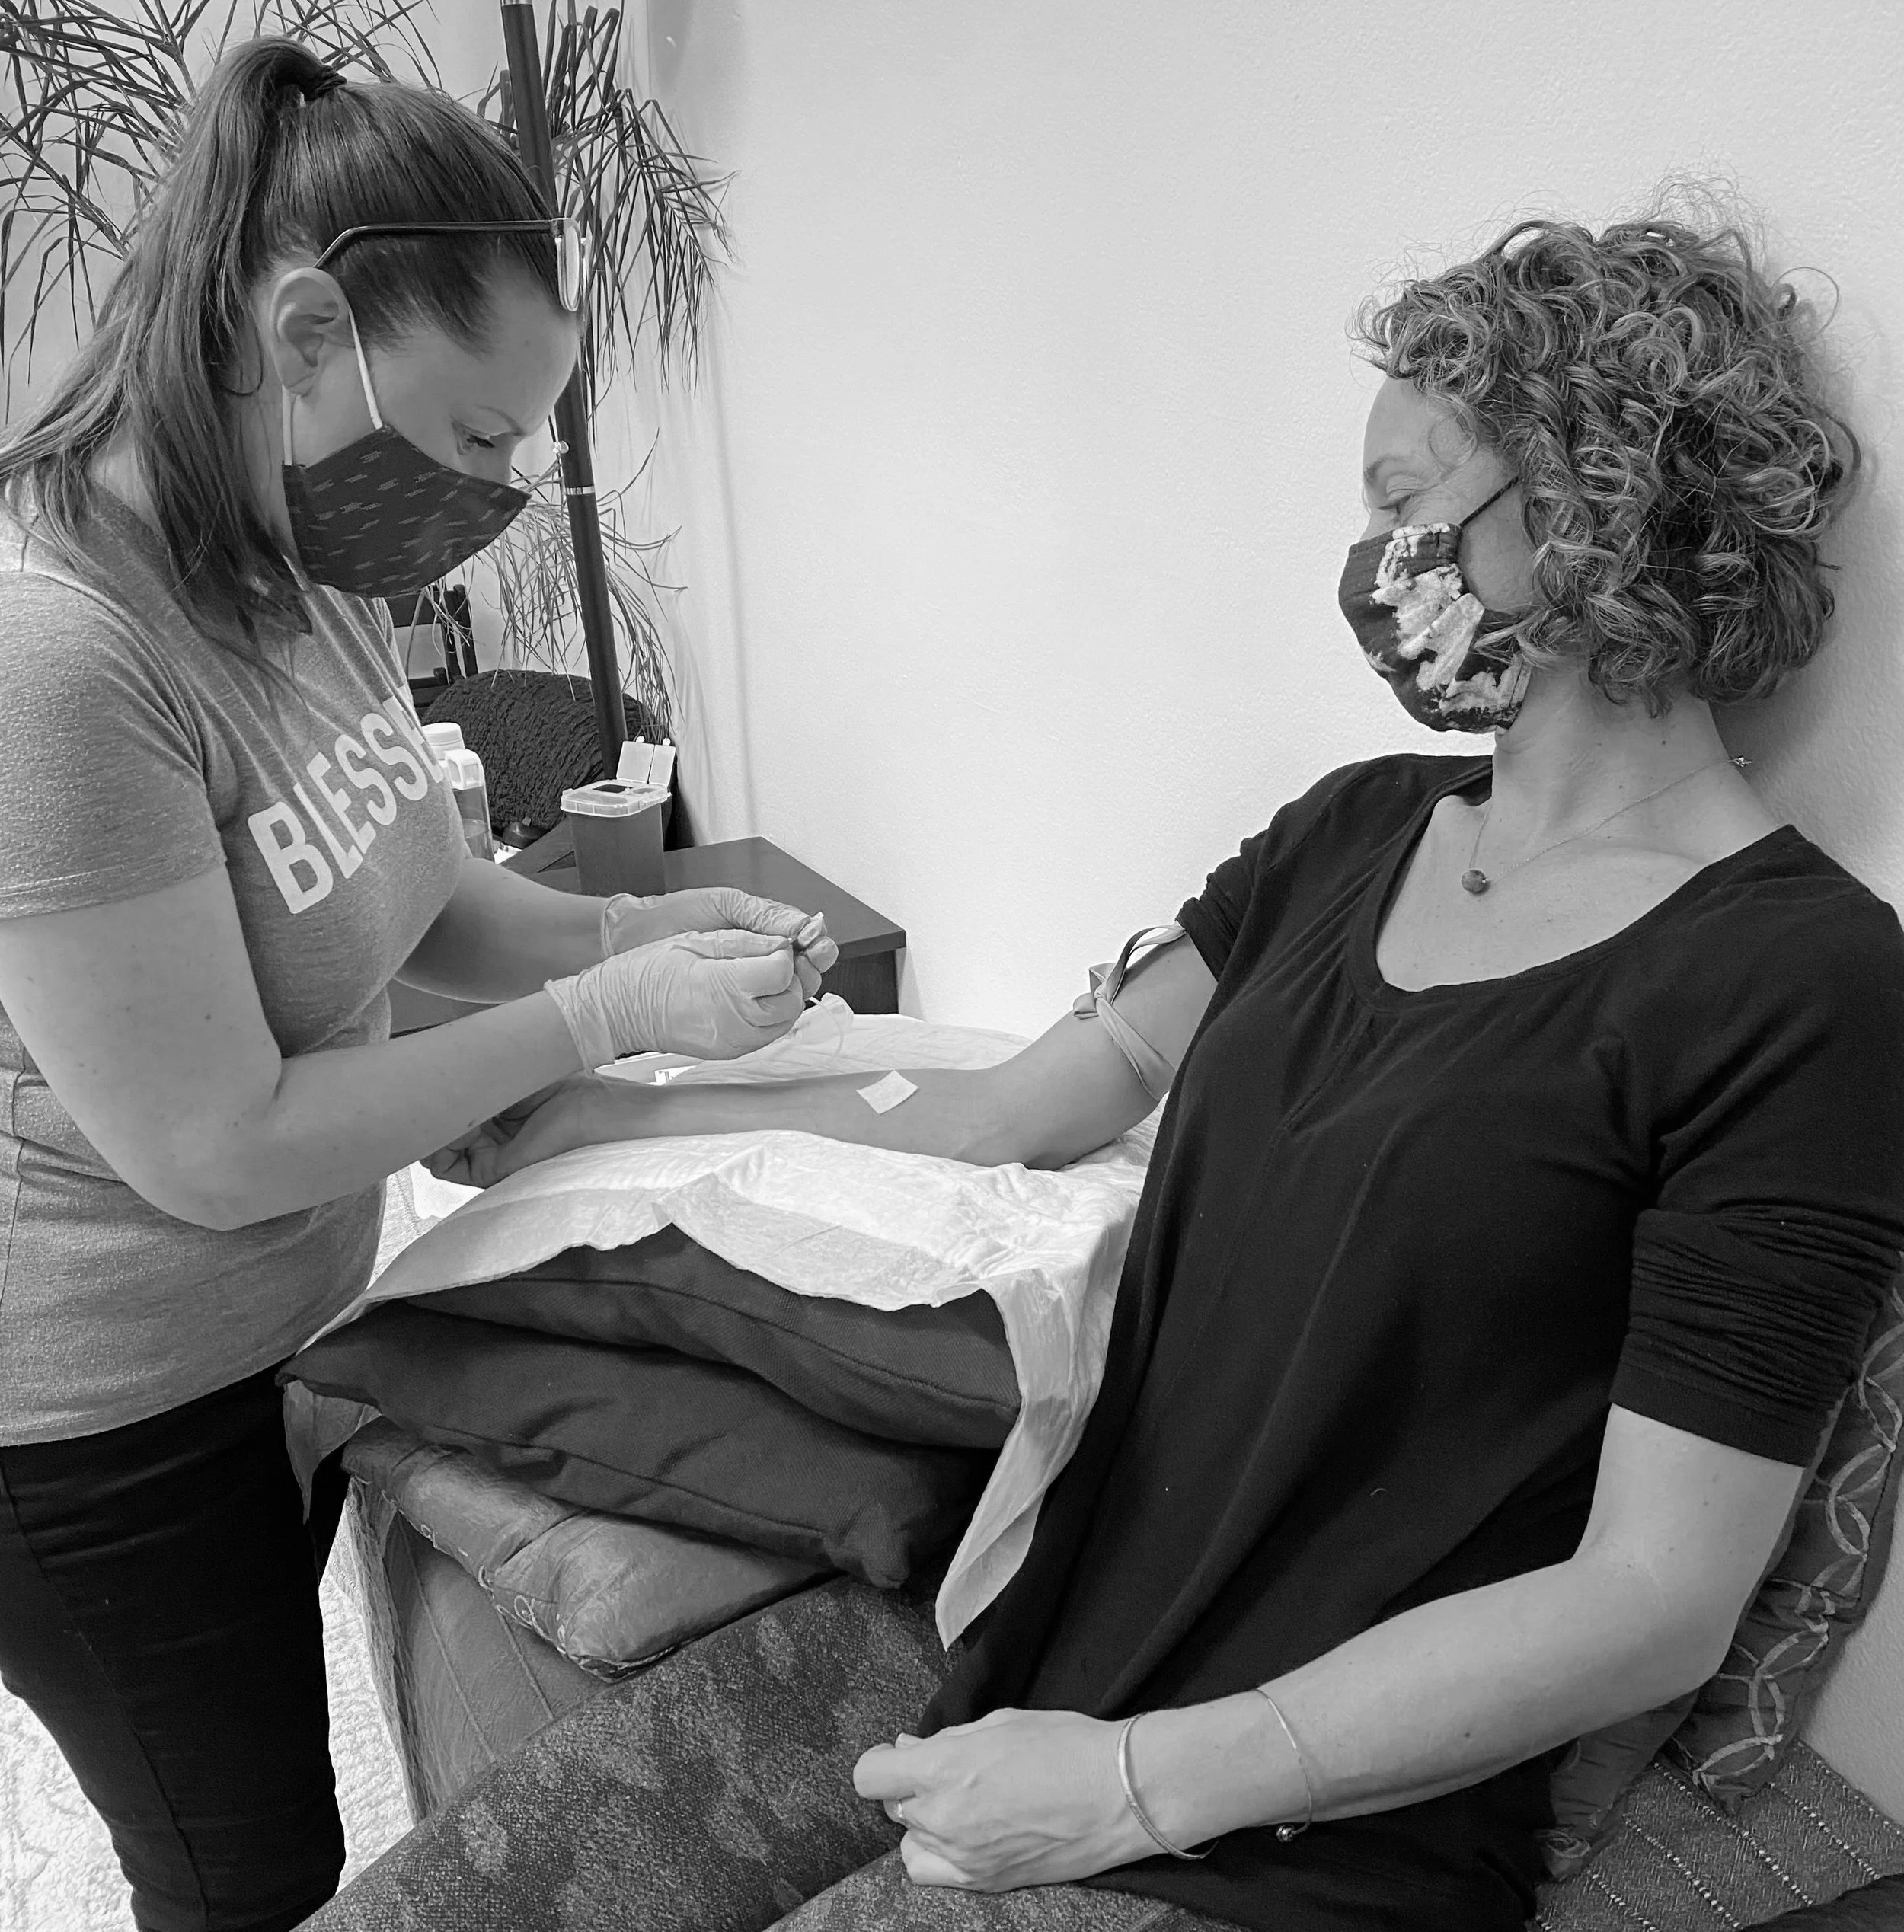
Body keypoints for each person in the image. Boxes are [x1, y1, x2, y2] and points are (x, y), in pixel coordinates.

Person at [392, 209, 1904, 1932]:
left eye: (1407, 504)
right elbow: (1006, 1108)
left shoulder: (1801, 984)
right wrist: (625, 1102)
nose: (1368, 559)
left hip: (1305, 1832)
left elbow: (1652, 1594)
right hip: (1042, 1627)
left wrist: (1131, 1786)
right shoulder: (1353, 830)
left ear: (1589, 507)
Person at [0, 38, 836, 1932]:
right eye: (473, 438)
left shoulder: (296, 559)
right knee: (248, 1869)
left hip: (274, 1327)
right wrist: (600, 1022)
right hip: (87, 1409)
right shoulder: (54, 651)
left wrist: (646, 936)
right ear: (306, 337)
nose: (488, 493)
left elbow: (415, 884)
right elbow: (214, 1142)